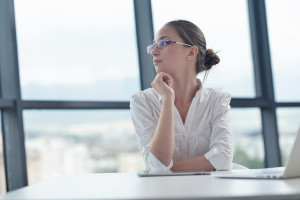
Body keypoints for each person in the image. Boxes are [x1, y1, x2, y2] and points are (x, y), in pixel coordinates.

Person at [130, 20, 233, 172]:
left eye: (163, 43)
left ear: (191, 52)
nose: (154, 51)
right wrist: (167, 100)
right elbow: (158, 165)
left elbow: (223, 159)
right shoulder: (142, 102)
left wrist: (166, 172)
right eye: (153, 46)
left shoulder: (217, 100)